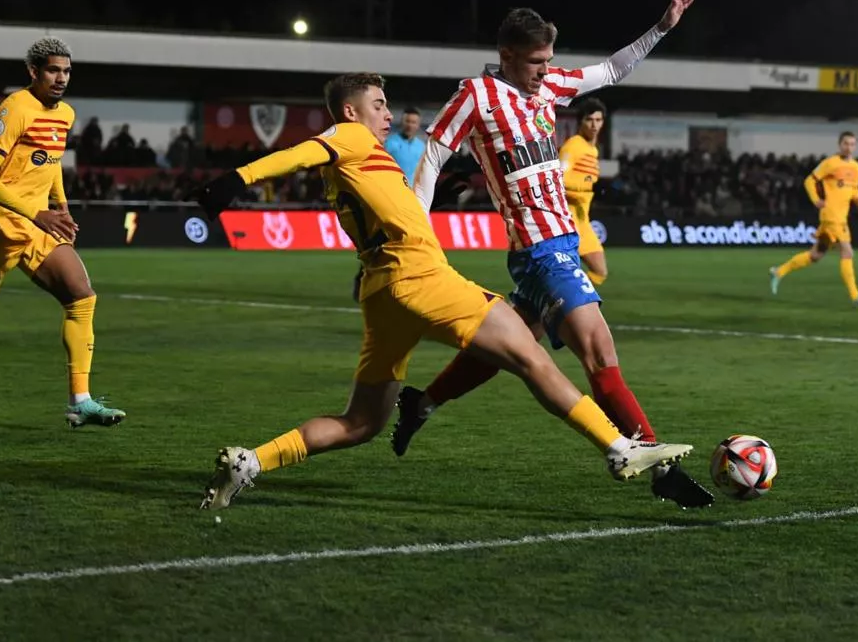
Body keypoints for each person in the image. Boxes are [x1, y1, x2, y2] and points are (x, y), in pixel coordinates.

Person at [190, 72, 693, 510]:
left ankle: (251, 461)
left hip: (382, 293)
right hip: (422, 278)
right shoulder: (349, 136)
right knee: (529, 355)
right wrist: (239, 178)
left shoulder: (361, 163)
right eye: (379, 105)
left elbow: (392, 209)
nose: (388, 114)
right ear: (350, 111)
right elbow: (305, 151)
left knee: (362, 422)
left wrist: (436, 199)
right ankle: (618, 448)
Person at [394, 0, 713, 508]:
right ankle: (658, 468)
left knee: (511, 343)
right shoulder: (476, 96)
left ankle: (422, 403)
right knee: (599, 351)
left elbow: (611, 71)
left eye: (548, 59)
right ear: (507, 56)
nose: (545, 69)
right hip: (541, 250)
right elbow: (432, 159)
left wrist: (660, 29)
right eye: (536, 60)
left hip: (559, 240)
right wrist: (412, 234)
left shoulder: (550, 87)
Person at [0, 37, 127, 426]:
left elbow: (50, 161)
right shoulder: (16, 108)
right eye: (53, 70)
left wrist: (60, 204)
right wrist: (36, 213)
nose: (61, 78)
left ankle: (81, 400)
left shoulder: (66, 114)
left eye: (67, 71)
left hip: (35, 226)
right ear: (33, 72)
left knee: (81, 297)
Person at [770, 131, 858, 306]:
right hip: (831, 216)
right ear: (839, 145)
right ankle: (855, 297)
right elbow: (809, 181)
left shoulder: (856, 167)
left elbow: (854, 188)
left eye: (852, 144)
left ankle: (779, 272)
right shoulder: (830, 163)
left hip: (842, 217)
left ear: (855, 146)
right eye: (845, 144)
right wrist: (816, 200)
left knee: (815, 255)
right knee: (847, 252)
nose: (849, 147)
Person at [560, 97, 609, 286]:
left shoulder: (592, 149)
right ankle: (567, 306)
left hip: (583, 221)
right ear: (581, 121)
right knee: (595, 271)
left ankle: (564, 304)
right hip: (570, 221)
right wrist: (578, 194)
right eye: (589, 120)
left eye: (598, 120)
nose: (594, 125)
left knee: (599, 272)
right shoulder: (573, 146)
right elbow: (557, 181)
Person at [383, 107, 426, 182]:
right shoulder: (389, 143)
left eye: (413, 122)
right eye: (407, 121)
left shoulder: (422, 147)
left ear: (418, 125)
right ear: (401, 122)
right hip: (393, 188)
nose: (410, 125)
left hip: (413, 191)